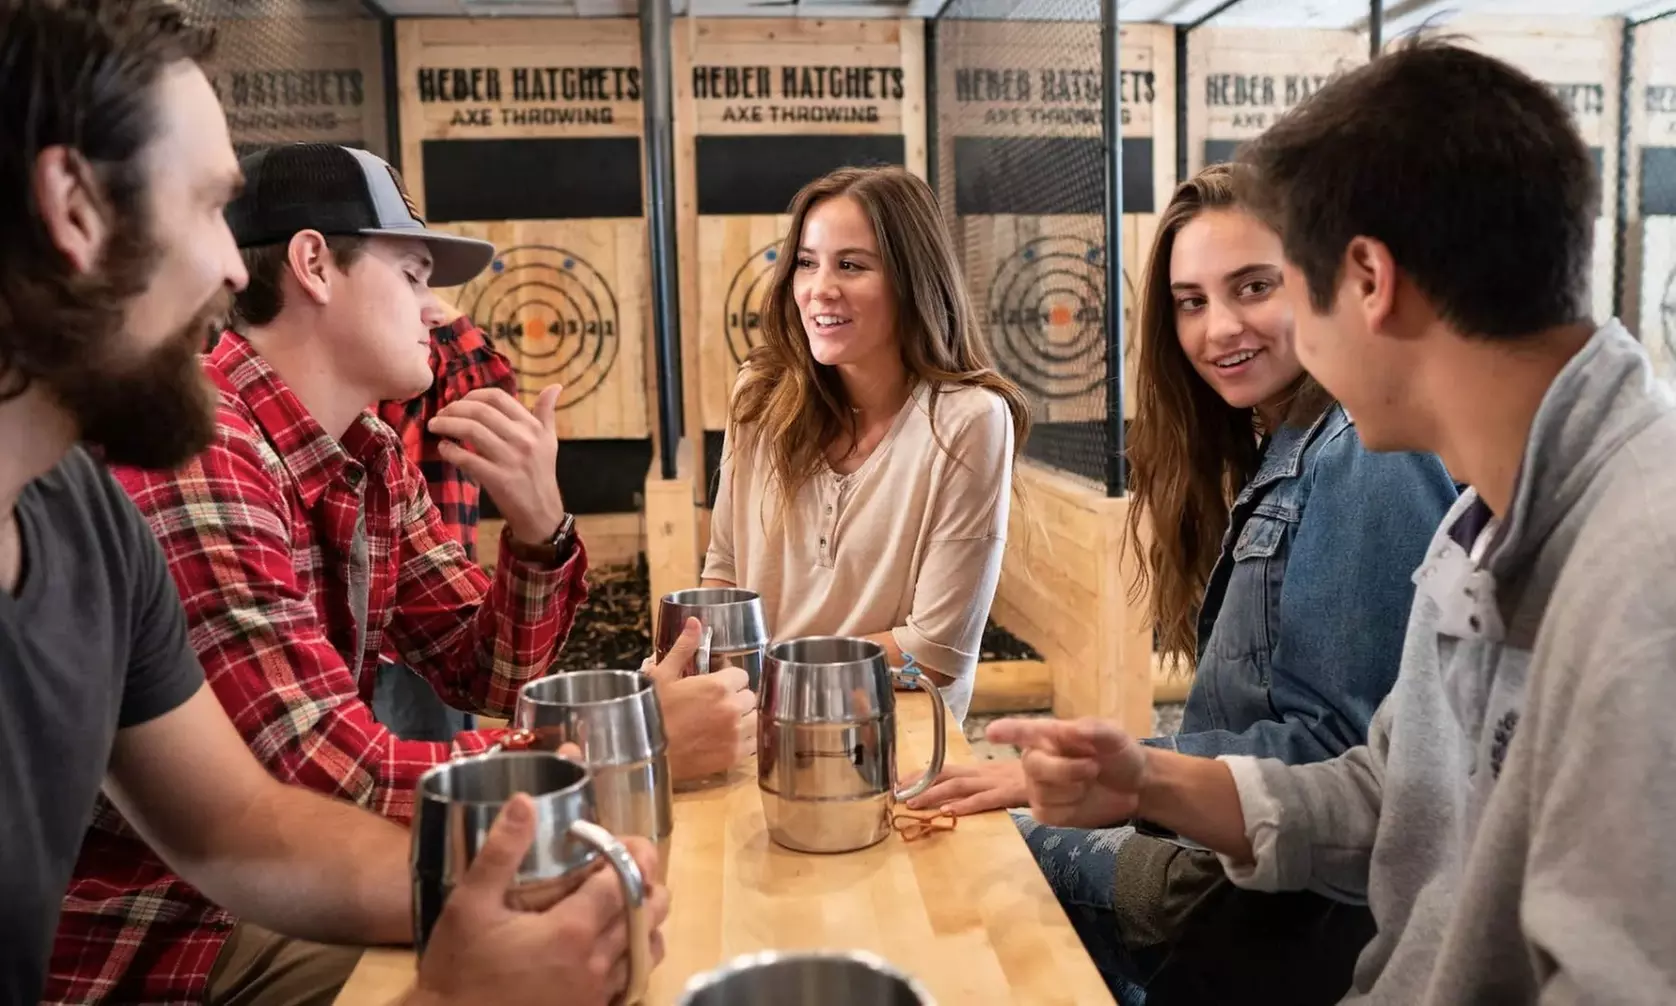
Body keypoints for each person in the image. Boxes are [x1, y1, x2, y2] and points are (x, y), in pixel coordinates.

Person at [0, 1, 667, 1004]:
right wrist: (611, 755)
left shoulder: (84, 510)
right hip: (160, 948)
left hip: (227, 910)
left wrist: (541, 533)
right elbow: (324, 775)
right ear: (74, 208)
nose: (232, 267)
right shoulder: (195, 455)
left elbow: (241, 824)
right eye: (206, 207)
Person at [995, 36, 1676, 1005]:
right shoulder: (1480, 519)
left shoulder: (1645, 571)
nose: (1266, 337)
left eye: (1285, 288)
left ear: (1367, 280)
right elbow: (1392, 795)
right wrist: (1147, 781)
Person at [911, 163, 1458, 1003]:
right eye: (1191, 301)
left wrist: (1134, 779)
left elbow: (1339, 762)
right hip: (1222, 860)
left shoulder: (1361, 452)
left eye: (1253, 287)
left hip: (1262, 898)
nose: (1218, 328)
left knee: (987, 861)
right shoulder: (1286, 442)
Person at [702, 165, 1029, 726]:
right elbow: (725, 571)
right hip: (758, 723)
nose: (819, 289)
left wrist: (771, 675)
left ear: (912, 280)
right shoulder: (758, 393)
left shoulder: (969, 419)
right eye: (807, 263)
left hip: (890, 735)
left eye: (851, 265)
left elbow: (934, 655)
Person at [372, 299, 517, 740]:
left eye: (421, 276)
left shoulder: (427, 355)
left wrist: (450, 324)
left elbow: (491, 399)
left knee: (432, 757)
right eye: (408, 274)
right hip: (355, 635)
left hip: (426, 624)